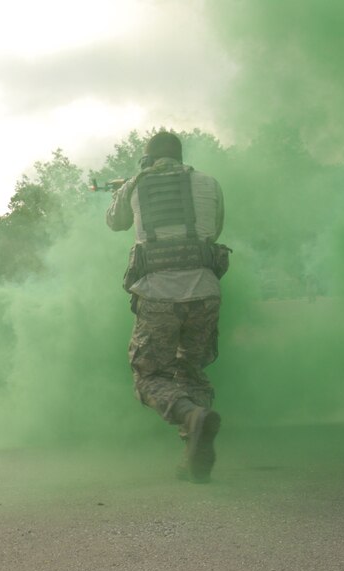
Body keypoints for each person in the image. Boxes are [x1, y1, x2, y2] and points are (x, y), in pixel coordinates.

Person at [106, 131, 230, 483]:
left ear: (148, 158)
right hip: (205, 292)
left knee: (148, 376)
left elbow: (115, 223)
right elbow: (215, 229)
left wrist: (123, 189)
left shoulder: (137, 184)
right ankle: (193, 453)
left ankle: (190, 416)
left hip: (159, 294)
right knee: (191, 372)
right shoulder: (209, 182)